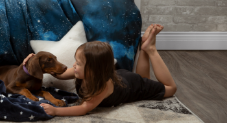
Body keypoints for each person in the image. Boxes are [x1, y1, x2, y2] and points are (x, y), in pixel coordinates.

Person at [22, 24, 177, 116]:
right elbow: (60, 73)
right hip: (124, 78)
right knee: (144, 79)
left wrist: (56, 111)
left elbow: (83, 108)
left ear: (93, 70)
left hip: (132, 85)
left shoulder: (101, 87)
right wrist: (32, 63)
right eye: (76, 61)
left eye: (79, 63)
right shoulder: (83, 73)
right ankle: (143, 50)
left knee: (170, 88)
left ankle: (150, 50)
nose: (74, 66)